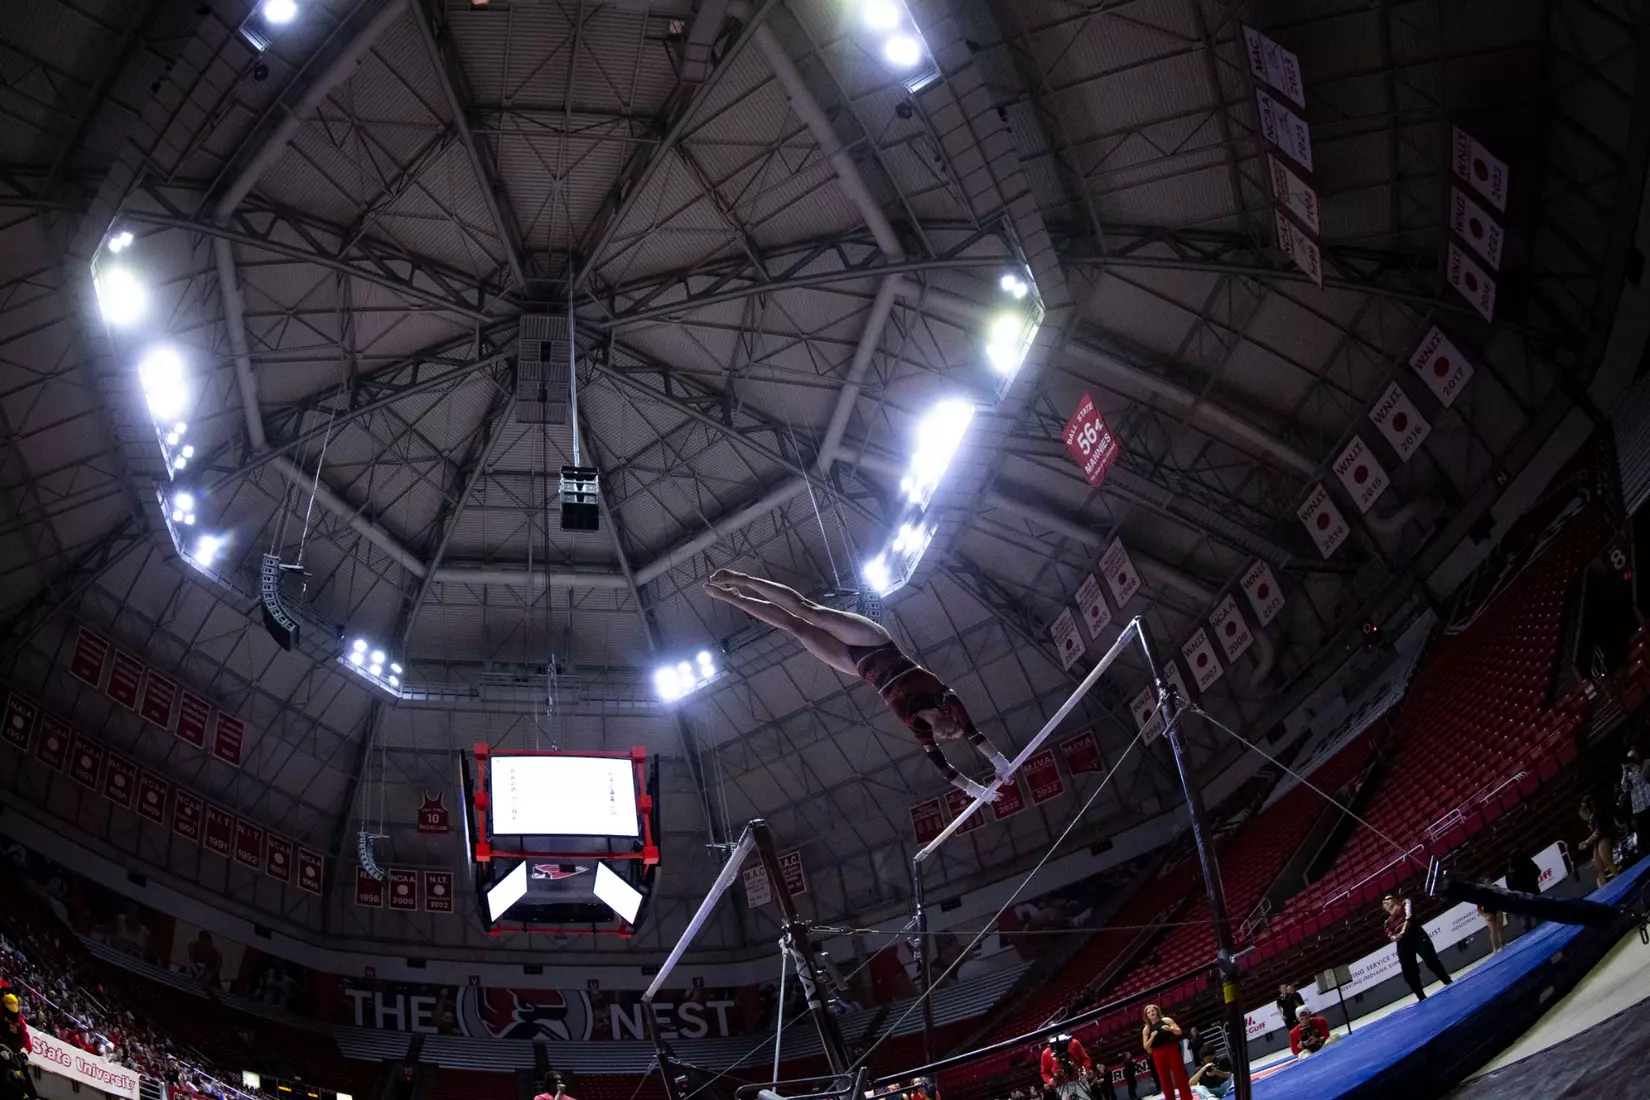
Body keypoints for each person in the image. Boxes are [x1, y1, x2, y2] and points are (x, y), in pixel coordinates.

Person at [704, 570, 1014, 797]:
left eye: (948, 738)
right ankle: (742, 579)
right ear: (956, 719)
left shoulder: (919, 728)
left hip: (856, 666)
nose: (951, 734)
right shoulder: (945, 698)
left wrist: (976, 791)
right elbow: (975, 733)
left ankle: (735, 599)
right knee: (806, 610)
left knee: (795, 627)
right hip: (875, 643)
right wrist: (1000, 762)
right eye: (956, 729)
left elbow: (943, 769)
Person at [1382, 892, 1452, 1000]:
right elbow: (1390, 934)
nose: (1385, 902)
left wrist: (1403, 931)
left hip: (1415, 934)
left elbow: (1409, 917)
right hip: (1402, 942)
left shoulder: (1405, 903)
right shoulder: (1387, 922)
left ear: (1395, 899)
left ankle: (1447, 981)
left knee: (1430, 959)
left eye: (1387, 899)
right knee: (1408, 971)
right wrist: (1396, 937)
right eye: (1384, 902)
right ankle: (1420, 996)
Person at [1140, 1005, 1192, 1100]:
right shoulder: (1147, 1029)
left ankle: (1187, 1098)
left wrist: (1170, 1029)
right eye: (1149, 1012)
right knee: (1164, 1079)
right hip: (1158, 1053)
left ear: (1157, 1011)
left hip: (1172, 1049)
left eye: (1153, 1011)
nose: (1151, 1013)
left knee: (1180, 1074)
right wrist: (1152, 1037)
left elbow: (1179, 1032)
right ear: (1146, 1016)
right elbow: (1146, 1046)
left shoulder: (1166, 1020)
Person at [0, 990, 35, 1100]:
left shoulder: (20, 1021)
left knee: (23, 1074)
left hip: (15, 1051)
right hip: (3, 1049)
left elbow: (25, 1034)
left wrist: (28, 1045)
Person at [1578, 796, 1619, 885]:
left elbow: (1597, 832)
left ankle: (1618, 878)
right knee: (1598, 866)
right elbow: (1594, 835)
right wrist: (1587, 843)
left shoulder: (1597, 815)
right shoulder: (1590, 820)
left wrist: (1587, 841)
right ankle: (1604, 886)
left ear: (1587, 810)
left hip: (1604, 837)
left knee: (1607, 861)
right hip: (1598, 841)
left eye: (1583, 814)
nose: (1582, 817)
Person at [1040, 1033, 1093, 1100]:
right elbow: (1044, 1072)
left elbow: (1086, 1059)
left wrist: (1086, 1070)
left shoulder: (1074, 1043)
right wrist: (1050, 1080)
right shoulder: (1046, 1053)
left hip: (1079, 1080)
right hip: (1062, 1085)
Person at [1619, 748, 1650, 858]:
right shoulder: (1628, 771)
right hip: (1639, 806)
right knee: (1643, 834)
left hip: (1648, 799)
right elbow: (1625, 788)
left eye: (1633, 756)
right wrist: (1625, 771)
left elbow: (1644, 777)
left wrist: (1633, 766)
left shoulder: (1645, 763)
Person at [1504, 852, 1542, 934]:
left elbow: (1510, 886)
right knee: (1538, 914)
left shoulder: (1511, 871)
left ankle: (1530, 934)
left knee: (1527, 918)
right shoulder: (1527, 863)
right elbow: (1538, 871)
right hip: (1531, 892)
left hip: (1523, 896)